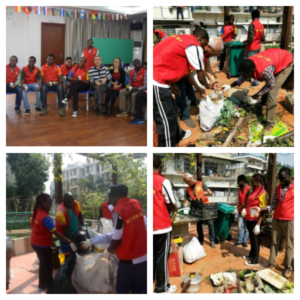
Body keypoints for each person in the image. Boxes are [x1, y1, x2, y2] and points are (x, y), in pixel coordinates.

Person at [153, 28, 209, 147]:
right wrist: (209, 87)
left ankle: (179, 134)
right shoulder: (194, 46)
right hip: (157, 80)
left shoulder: (180, 39)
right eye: (204, 45)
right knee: (166, 121)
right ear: (200, 39)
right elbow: (201, 77)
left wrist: (172, 84)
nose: (203, 48)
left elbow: (170, 60)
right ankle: (167, 148)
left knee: (172, 111)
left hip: (161, 77)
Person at [222, 48, 294, 134]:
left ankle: (270, 123)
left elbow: (271, 85)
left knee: (272, 92)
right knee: (268, 85)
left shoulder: (265, 71)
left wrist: (256, 95)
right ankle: (264, 102)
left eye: (245, 75)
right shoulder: (248, 64)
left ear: (252, 71)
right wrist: (229, 86)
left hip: (286, 61)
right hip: (275, 57)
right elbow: (242, 77)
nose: (243, 76)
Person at [98, 184, 147, 293]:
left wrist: (108, 251)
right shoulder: (137, 203)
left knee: (122, 291)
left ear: (118, 196)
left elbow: (117, 237)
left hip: (129, 260)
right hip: (144, 257)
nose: (109, 200)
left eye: (111, 197)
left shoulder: (118, 210)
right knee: (139, 291)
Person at [30, 193, 76, 293]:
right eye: (49, 203)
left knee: (43, 264)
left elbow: (32, 226)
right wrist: (70, 242)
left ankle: (42, 285)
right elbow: (57, 233)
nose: (51, 205)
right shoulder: (46, 218)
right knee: (48, 267)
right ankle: (51, 290)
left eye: (52, 203)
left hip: (34, 243)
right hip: (43, 245)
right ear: (42, 203)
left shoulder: (35, 212)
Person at [253, 167, 294, 278]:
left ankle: (287, 267)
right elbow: (273, 205)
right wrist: (260, 209)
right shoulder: (278, 188)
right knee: (274, 242)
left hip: (290, 219)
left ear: (290, 176)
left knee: (290, 245)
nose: (282, 181)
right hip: (277, 219)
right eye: (280, 179)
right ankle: (271, 263)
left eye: (284, 179)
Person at [153, 155, 178, 293]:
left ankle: (151, 282)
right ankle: (162, 287)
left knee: (152, 255)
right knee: (162, 257)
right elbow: (171, 202)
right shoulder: (162, 181)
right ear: (161, 166)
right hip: (162, 226)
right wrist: (175, 209)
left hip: (149, 226)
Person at [239, 174, 268, 266]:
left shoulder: (263, 193)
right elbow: (249, 203)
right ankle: (251, 254)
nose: (251, 183)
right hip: (250, 219)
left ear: (258, 182)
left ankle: (255, 260)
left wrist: (258, 225)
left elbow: (262, 210)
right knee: (251, 239)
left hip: (256, 221)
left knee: (256, 241)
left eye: (252, 182)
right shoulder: (254, 191)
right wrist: (244, 210)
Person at [183, 173, 215, 248]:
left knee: (210, 224)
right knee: (199, 224)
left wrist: (206, 192)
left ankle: (212, 240)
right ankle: (201, 240)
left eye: (187, 181)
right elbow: (187, 199)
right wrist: (184, 206)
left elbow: (211, 193)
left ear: (191, 178)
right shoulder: (188, 189)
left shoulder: (201, 184)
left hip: (205, 206)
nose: (187, 183)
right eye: (185, 182)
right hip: (196, 208)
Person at [243, 9, 265, 88]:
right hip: (258, 47)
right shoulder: (261, 25)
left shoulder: (252, 25)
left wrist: (245, 41)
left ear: (252, 16)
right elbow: (263, 38)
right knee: (256, 64)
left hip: (252, 47)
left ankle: (255, 81)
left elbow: (250, 38)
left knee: (252, 65)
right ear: (259, 16)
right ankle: (249, 78)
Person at [232, 175, 251, 248]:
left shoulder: (249, 189)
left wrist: (238, 208)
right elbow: (240, 200)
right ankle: (239, 241)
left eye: (239, 181)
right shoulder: (239, 189)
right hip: (240, 210)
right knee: (240, 226)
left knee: (246, 228)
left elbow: (246, 202)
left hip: (248, 211)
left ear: (243, 181)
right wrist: (237, 208)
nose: (238, 183)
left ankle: (244, 241)